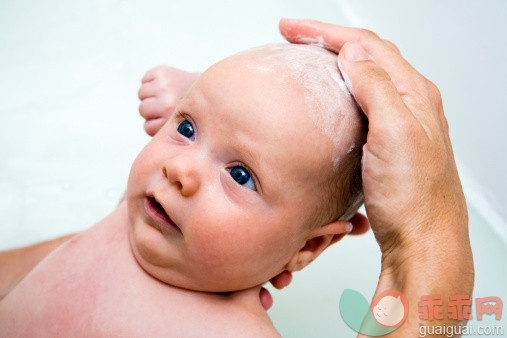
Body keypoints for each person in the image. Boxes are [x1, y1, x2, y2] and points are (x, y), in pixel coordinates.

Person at [0, 18, 474, 337]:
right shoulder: (148, 211)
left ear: (307, 248)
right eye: (186, 127)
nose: (179, 169)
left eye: (241, 175)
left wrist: (428, 239)